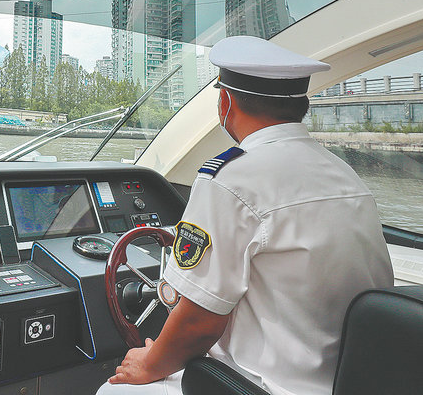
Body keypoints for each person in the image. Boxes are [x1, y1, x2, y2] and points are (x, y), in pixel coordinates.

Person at [98, 36, 394, 395]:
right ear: (301, 105)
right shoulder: (343, 173)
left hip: (263, 385)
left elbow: (198, 322)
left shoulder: (229, 179)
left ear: (225, 102)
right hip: (347, 381)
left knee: (113, 390)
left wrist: (149, 364)